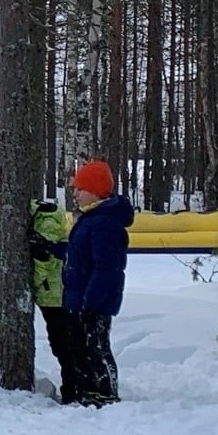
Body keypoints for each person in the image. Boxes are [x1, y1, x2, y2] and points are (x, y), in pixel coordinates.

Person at [61, 159, 134, 406]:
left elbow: (107, 267)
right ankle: (87, 390)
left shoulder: (104, 222)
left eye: (80, 189)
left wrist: (91, 301)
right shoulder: (89, 218)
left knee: (96, 346)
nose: (75, 193)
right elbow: (80, 254)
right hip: (78, 296)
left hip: (94, 300)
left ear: (95, 191)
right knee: (79, 346)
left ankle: (105, 392)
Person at [29, 190, 75, 389]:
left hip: (54, 293)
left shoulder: (46, 221)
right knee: (61, 341)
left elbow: (46, 262)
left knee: (63, 343)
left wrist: (31, 283)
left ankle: (72, 387)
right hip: (51, 292)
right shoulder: (38, 217)